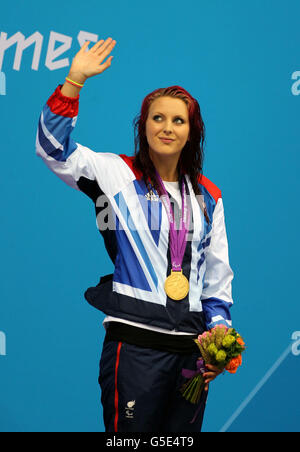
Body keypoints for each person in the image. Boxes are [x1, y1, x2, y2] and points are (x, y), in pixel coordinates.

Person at [35, 37, 234, 432]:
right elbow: (52, 149)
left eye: (179, 120)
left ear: (192, 132)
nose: (167, 127)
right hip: (135, 346)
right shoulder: (116, 174)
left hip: (190, 355)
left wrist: (218, 340)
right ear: (143, 126)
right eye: (157, 118)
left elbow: (217, 279)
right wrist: (74, 81)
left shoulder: (209, 196)